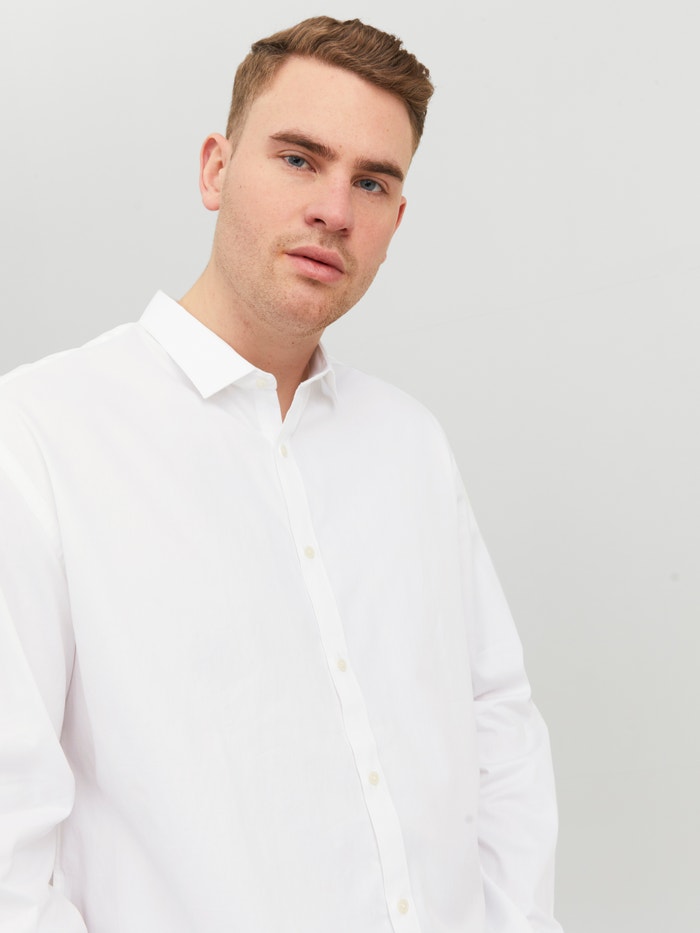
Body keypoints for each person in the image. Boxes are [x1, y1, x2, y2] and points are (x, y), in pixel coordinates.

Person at [0, 15, 563, 933]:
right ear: (216, 170)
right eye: (300, 159)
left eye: (371, 182)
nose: (335, 210)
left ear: (395, 221)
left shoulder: (410, 445)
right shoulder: (39, 437)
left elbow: (498, 729)